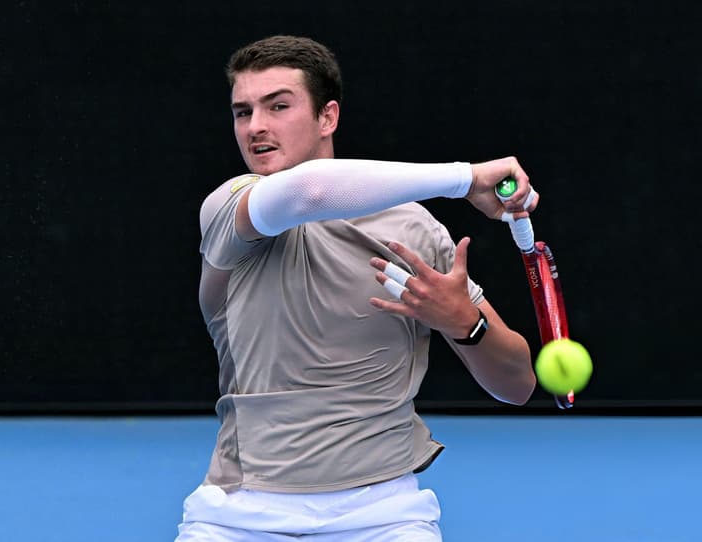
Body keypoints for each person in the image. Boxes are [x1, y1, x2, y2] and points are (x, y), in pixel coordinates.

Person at [177, 35, 538, 541]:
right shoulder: (229, 209)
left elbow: (517, 384)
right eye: (243, 112)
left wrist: (465, 325)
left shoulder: (414, 231)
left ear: (328, 117)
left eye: (278, 106)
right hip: (240, 514)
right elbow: (312, 191)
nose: (256, 126)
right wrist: (466, 178)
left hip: (384, 514)